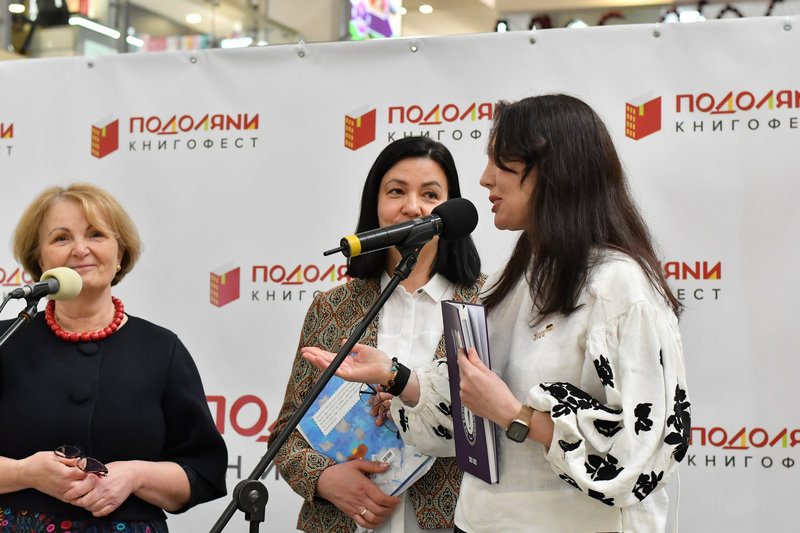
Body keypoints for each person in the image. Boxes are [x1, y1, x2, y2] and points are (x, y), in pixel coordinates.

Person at [301, 94, 692, 532]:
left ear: (553, 171)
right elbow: (462, 415)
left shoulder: (620, 287)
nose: (485, 178)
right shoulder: (510, 282)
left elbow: (644, 453)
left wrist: (515, 416)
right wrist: (395, 375)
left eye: (501, 163)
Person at [269, 136, 486, 533]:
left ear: (451, 211)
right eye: (396, 191)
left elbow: (502, 429)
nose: (413, 207)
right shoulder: (332, 307)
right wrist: (323, 479)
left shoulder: (487, 303)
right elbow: (286, 433)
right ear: (375, 206)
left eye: (430, 194)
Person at [0, 183, 228, 533]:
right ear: (40, 260)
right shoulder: (6, 340)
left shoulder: (161, 348)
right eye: (61, 238)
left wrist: (135, 476)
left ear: (120, 252)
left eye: (96, 234)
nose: (80, 249)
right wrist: (24, 473)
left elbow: (202, 472)